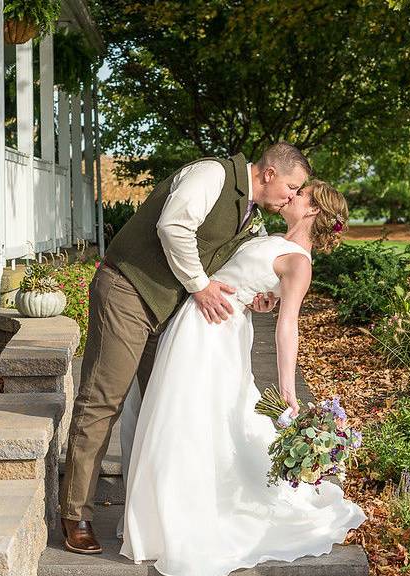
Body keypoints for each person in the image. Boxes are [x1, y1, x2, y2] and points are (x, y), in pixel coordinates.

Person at [59, 142, 311, 554]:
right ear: (268, 174)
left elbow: (242, 266)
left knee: (165, 409)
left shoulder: (251, 217)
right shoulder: (211, 175)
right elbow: (173, 226)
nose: (291, 197)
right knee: (104, 399)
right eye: (291, 186)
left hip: (171, 315)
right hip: (129, 289)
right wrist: (200, 286)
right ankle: (76, 513)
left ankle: (150, 514)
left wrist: (258, 297)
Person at [118, 181, 366, 576]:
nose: (291, 196)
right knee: (180, 418)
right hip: (199, 323)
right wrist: (256, 295)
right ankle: (161, 517)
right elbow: (248, 281)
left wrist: (288, 387)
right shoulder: (269, 237)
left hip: (216, 335)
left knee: (192, 420)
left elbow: (288, 325)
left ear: (314, 211)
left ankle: (183, 520)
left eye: (300, 194)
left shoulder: (299, 262)